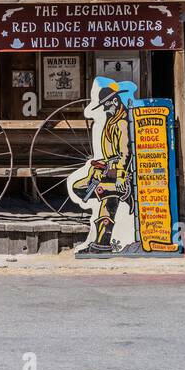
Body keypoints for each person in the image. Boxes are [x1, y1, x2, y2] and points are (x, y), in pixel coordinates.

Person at [72, 81, 134, 255]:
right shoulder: (112, 120)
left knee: (105, 194)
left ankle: (102, 244)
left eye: (106, 105)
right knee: (82, 187)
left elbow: (124, 153)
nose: (105, 109)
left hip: (121, 174)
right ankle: (101, 244)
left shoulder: (121, 123)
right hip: (109, 170)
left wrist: (121, 176)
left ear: (114, 102)